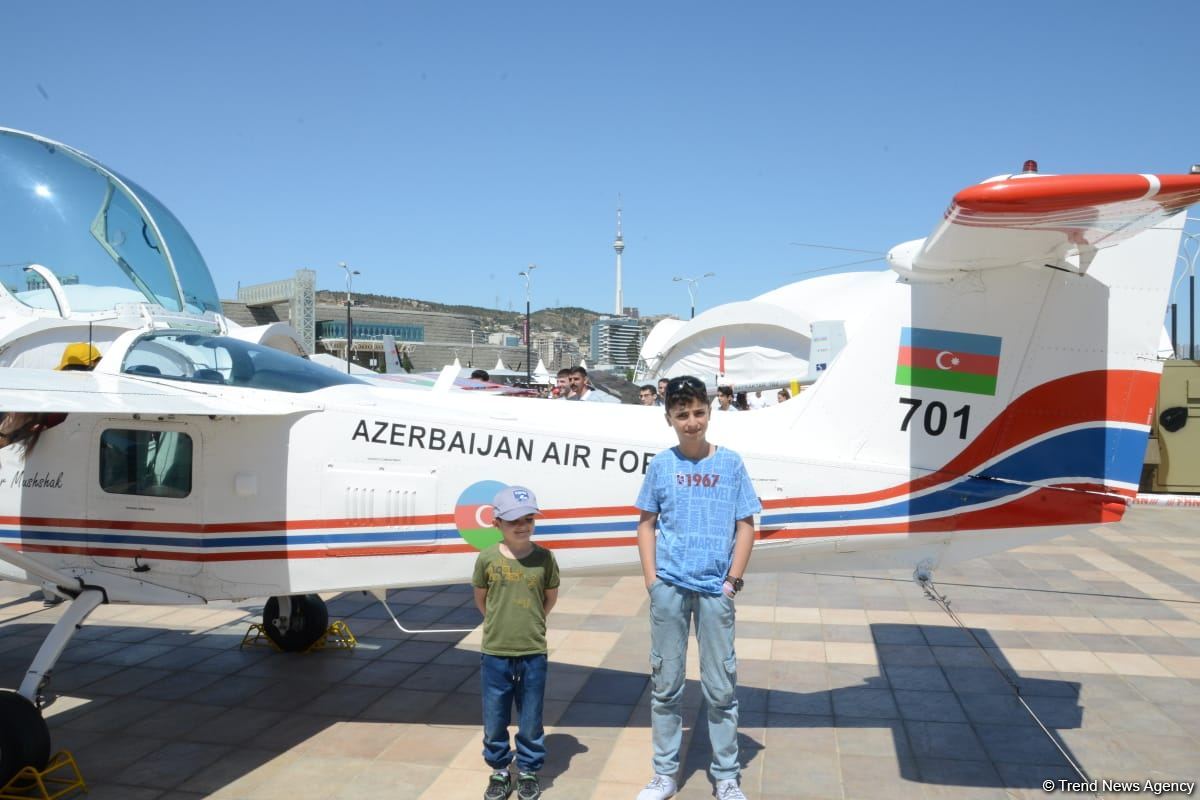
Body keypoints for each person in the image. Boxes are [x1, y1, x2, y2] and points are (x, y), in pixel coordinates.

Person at [634, 375, 761, 800]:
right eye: (682, 414)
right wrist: (653, 581)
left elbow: (746, 523)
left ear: (710, 412)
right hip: (669, 588)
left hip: (714, 591)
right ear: (668, 417)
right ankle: (664, 774)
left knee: (721, 688)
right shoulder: (662, 465)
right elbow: (646, 523)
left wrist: (732, 581)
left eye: (699, 412)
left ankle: (726, 775)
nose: (692, 422)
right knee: (666, 685)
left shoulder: (731, 463)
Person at [473, 486, 560, 800]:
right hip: (496, 651)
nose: (522, 526)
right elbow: (483, 599)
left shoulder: (545, 559)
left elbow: (548, 598)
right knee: (495, 714)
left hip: (533, 651)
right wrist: (500, 624)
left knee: (530, 715)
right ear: (497, 523)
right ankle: (499, 770)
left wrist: (531, 624)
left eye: (528, 518)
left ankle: (528, 770)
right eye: (513, 521)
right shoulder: (486, 559)